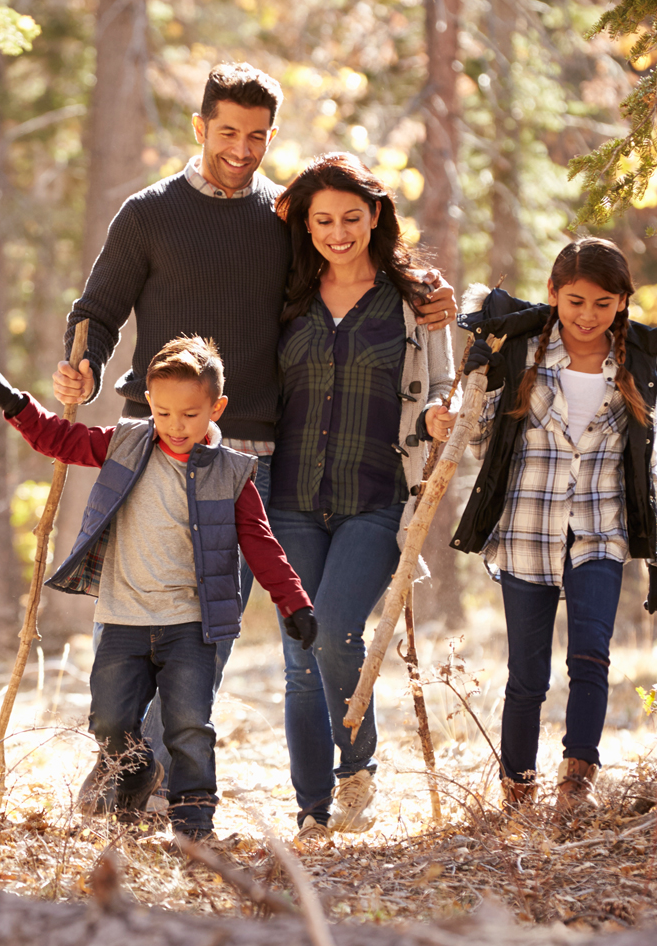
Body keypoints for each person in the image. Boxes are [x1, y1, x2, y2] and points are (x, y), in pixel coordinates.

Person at [54, 63, 455, 806]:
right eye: (229, 131)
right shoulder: (148, 213)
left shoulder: (283, 219)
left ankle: (141, 773)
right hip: (159, 447)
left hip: (253, 459)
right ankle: (124, 762)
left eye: (259, 136)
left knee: (215, 625)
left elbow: (355, 270)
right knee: (149, 614)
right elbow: (99, 309)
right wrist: (79, 362)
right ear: (200, 126)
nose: (242, 148)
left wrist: (431, 295)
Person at [0, 337, 318, 842]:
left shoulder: (232, 473)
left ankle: (194, 824)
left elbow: (261, 543)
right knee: (109, 721)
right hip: (122, 619)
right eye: (162, 412)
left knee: (188, 727)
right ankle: (135, 771)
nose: (176, 426)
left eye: (190, 414)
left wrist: (294, 601)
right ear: (149, 405)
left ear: (216, 408)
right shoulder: (127, 442)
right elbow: (63, 440)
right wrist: (14, 403)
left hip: (191, 624)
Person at [447, 237, 657, 816]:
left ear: (623, 302)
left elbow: (646, 467)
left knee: (591, 657)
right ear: (553, 294)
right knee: (527, 674)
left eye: (603, 303)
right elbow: (479, 446)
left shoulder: (635, 368)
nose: (587, 315)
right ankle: (517, 793)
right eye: (575, 300)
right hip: (526, 532)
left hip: (601, 532)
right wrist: (482, 385)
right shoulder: (523, 355)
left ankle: (577, 783)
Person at [264, 154, 455, 839]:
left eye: (351, 217)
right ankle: (311, 809)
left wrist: (441, 414)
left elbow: (443, 385)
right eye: (323, 220)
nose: (338, 232)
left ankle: (357, 764)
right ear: (306, 226)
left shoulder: (416, 299)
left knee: (338, 631)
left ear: (376, 215)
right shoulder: (284, 292)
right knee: (298, 655)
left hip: (375, 497)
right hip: (288, 498)